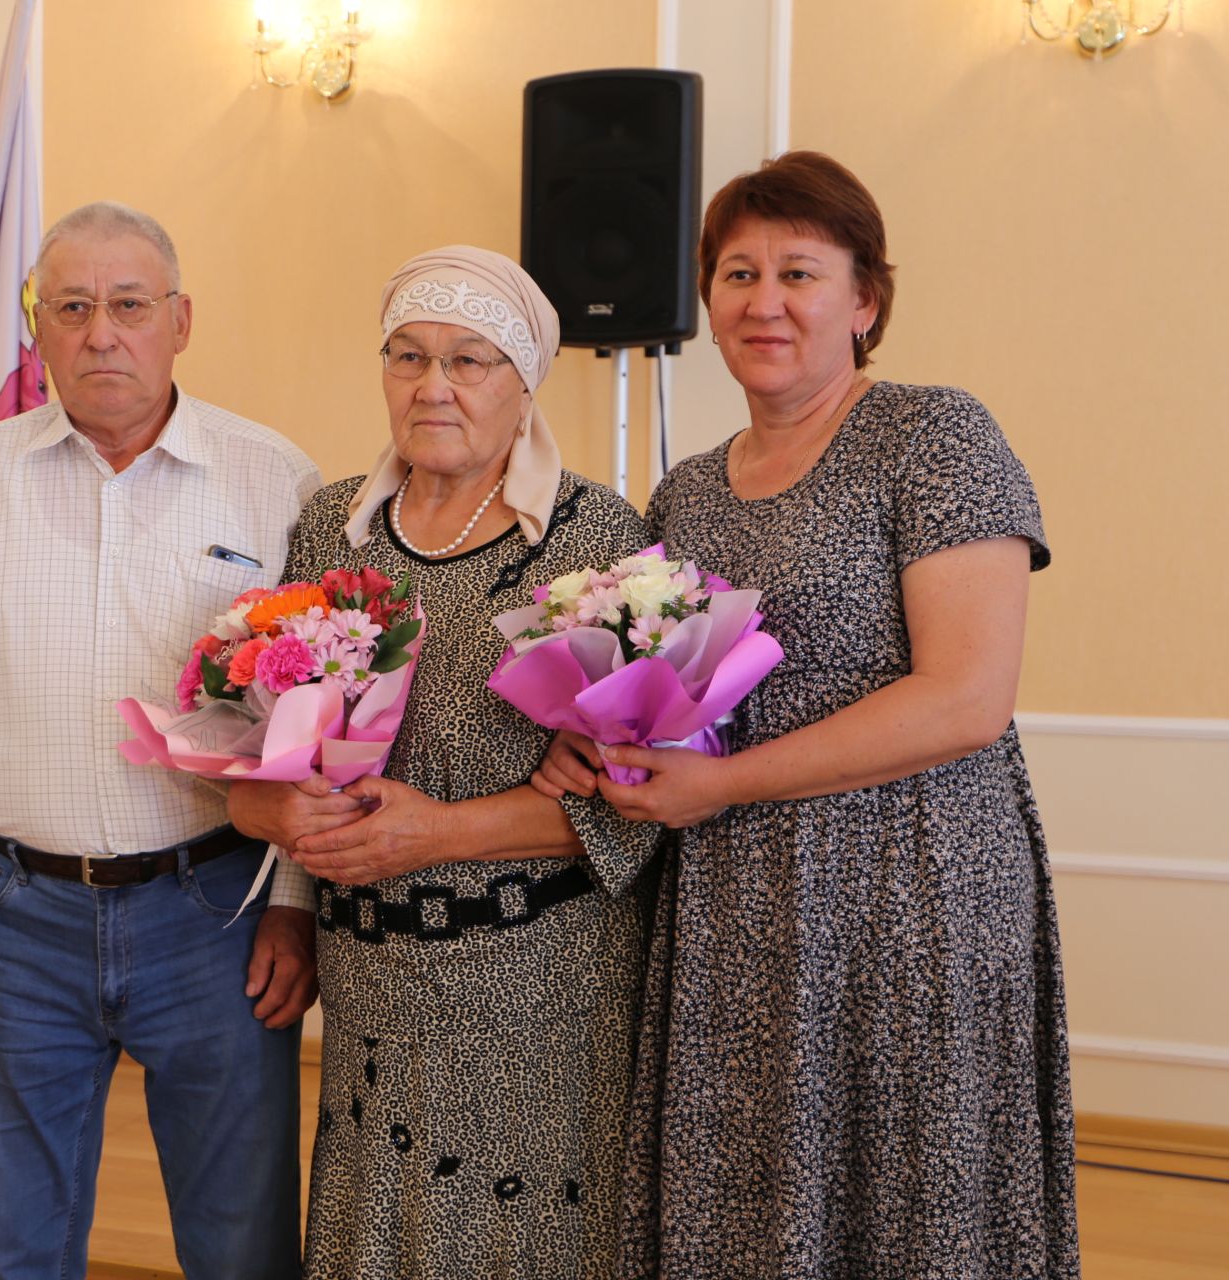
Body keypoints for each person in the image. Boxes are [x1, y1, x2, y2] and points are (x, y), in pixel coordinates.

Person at [535, 151, 1079, 1278]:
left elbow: (968, 698)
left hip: (909, 888)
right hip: (737, 904)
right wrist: (598, 737)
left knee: (906, 1198)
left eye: (800, 272)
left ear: (865, 300)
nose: (765, 301)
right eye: (738, 273)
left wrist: (722, 783)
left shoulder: (934, 435)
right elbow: (669, 688)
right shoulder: (685, 486)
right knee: (746, 1192)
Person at [0, 201, 322, 1280]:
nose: (100, 333)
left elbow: (320, 728)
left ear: (181, 320)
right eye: (71, 307)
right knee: (19, 1249)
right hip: (14, 922)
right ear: (38, 328)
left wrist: (298, 908)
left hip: (218, 916)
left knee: (242, 1246)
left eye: (129, 305)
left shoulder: (277, 480)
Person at [227, 246, 662, 1280]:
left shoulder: (594, 532)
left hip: (543, 979)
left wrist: (437, 829)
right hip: (374, 970)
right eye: (408, 356)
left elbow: (634, 794)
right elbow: (282, 751)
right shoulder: (335, 530)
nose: (433, 386)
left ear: (524, 386)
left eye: (469, 361)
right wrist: (284, 867)